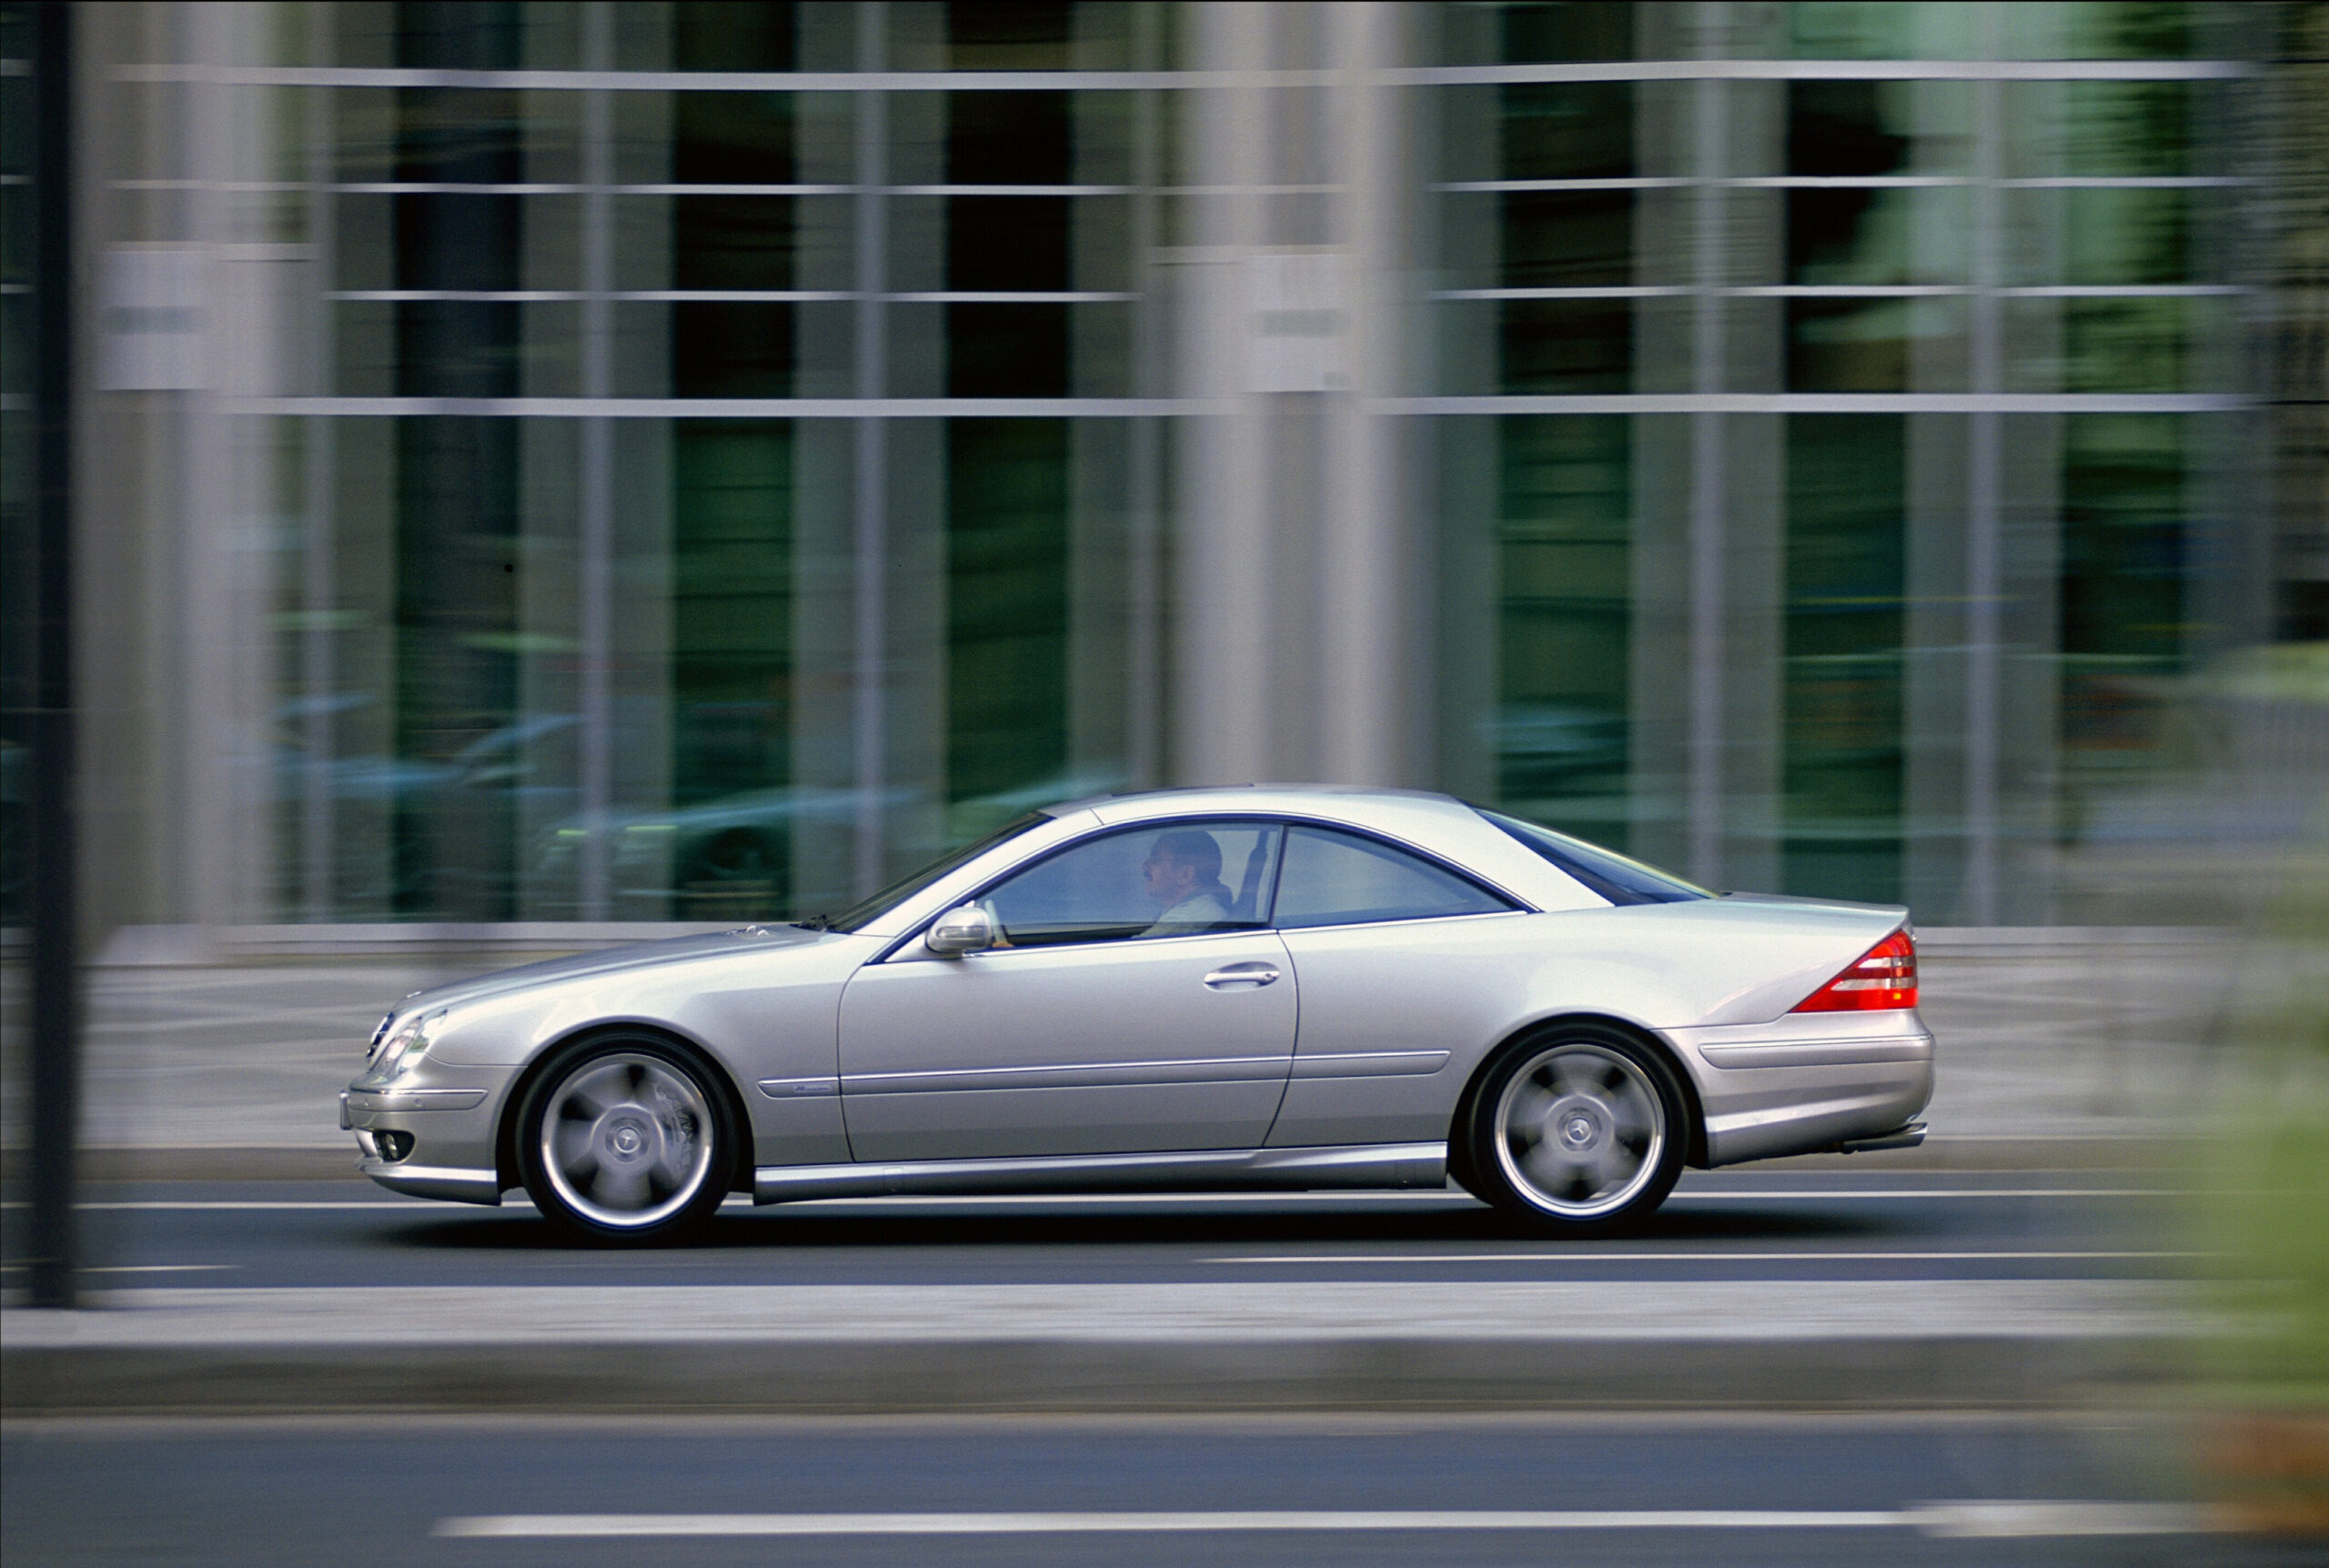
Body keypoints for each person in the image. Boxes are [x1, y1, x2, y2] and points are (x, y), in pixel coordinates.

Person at [1140, 829, 1233, 935]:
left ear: (1185, 875)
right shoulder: (1201, 910)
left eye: (1155, 859)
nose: (1144, 865)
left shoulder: (1183, 920)